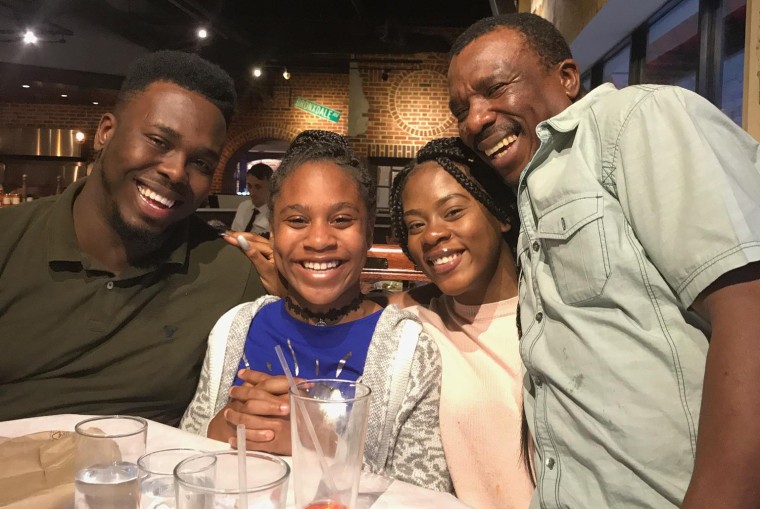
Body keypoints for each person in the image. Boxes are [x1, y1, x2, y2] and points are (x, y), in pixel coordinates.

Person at [448, 12, 760, 509]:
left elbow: (750, 309)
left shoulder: (636, 119)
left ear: (567, 78)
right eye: (461, 108)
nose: (476, 118)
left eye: (496, 88)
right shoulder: (529, 194)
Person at [0, 50, 266, 426]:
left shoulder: (230, 277)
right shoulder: (9, 241)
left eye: (201, 163)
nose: (176, 172)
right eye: (159, 141)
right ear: (106, 132)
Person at [181, 130, 453, 492]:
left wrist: (323, 443)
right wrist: (219, 429)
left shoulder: (408, 350)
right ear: (273, 233)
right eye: (296, 221)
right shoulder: (236, 328)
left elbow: (426, 497)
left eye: (341, 220)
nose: (320, 240)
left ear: (369, 232)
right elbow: (182, 456)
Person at [389, 137, 534, 508]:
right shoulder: (413, 327)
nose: (433, 234)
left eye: (452, 212)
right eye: (416, 225)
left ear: (501, 214)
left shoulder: (554, 316)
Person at [230, 162, 273, 235]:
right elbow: (234, 234)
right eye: (249, 186)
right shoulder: (243, 206)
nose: (252, 192)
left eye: (258, 187)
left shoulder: (275, 213)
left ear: (271, 186)